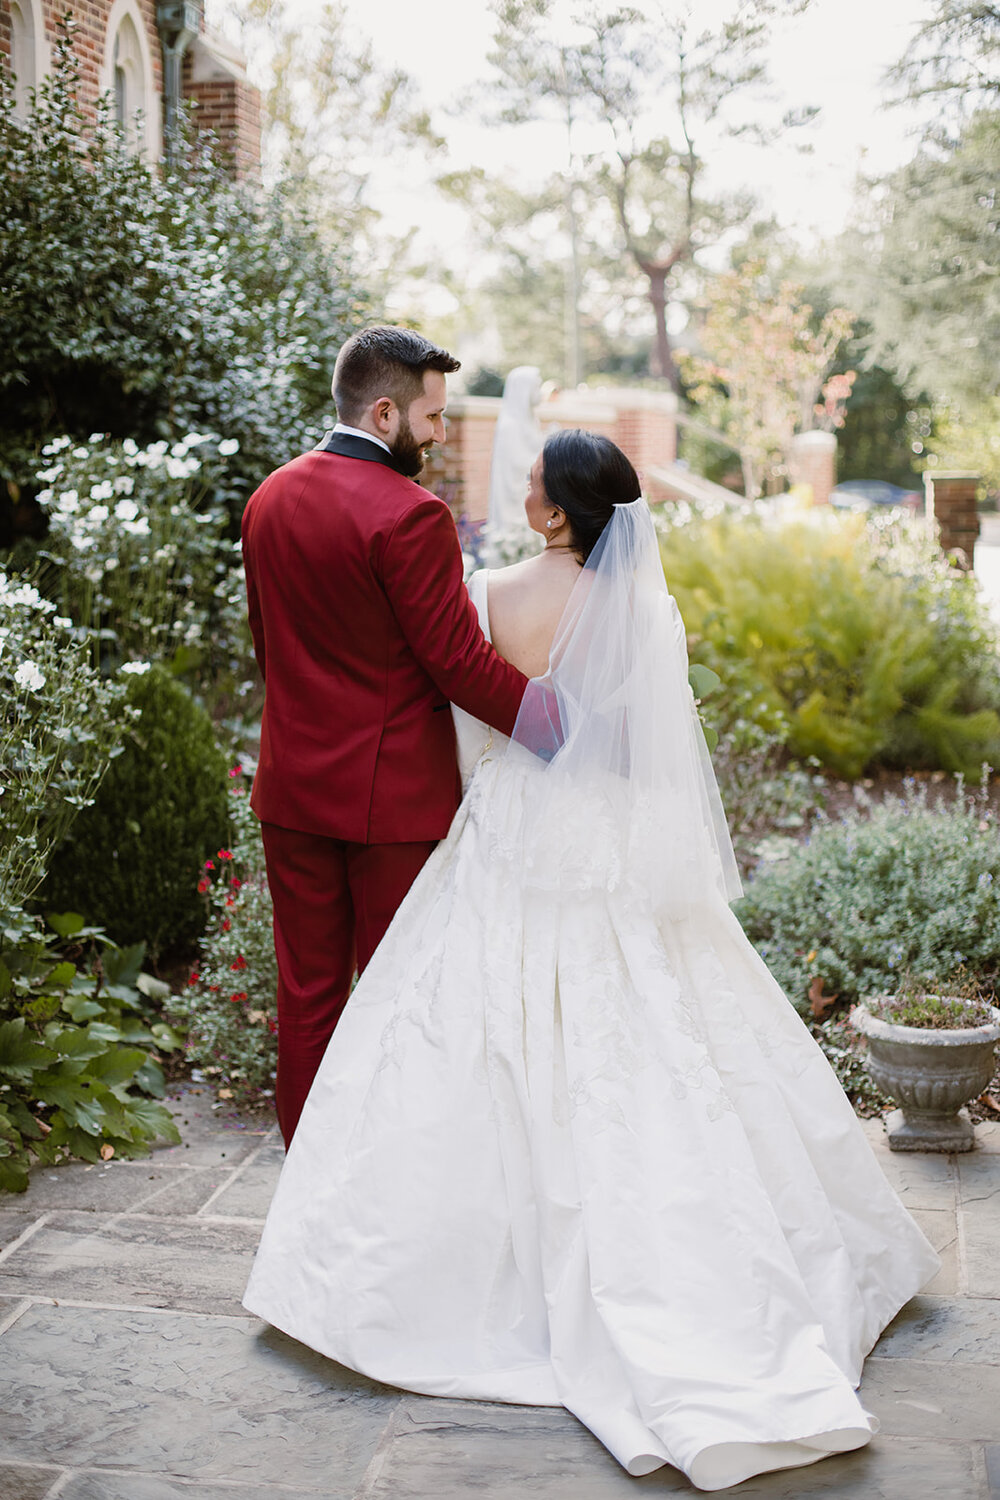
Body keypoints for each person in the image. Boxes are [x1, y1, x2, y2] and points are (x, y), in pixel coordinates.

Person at [243, 429, 939, 1492]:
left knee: (455, 1032)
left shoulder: (497, 593)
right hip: (609, 839)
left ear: (559, 514)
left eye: (530, 486)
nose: (519, 494)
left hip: (514, 831)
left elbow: (480, 725)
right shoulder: (646, 611)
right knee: (670, 1028)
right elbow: (643, 751)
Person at [241, 325, 529, 1146]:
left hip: (292, 788)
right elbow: (461, 665)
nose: (440, 435)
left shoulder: (269, 498)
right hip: (390, 807)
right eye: (432, 418)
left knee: (308, 995)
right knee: (400, 993)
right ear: (382, 412)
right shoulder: (412, 516)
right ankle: (384, 1178)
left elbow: (269, 647)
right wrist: (564, 726)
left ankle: (308, 1177)